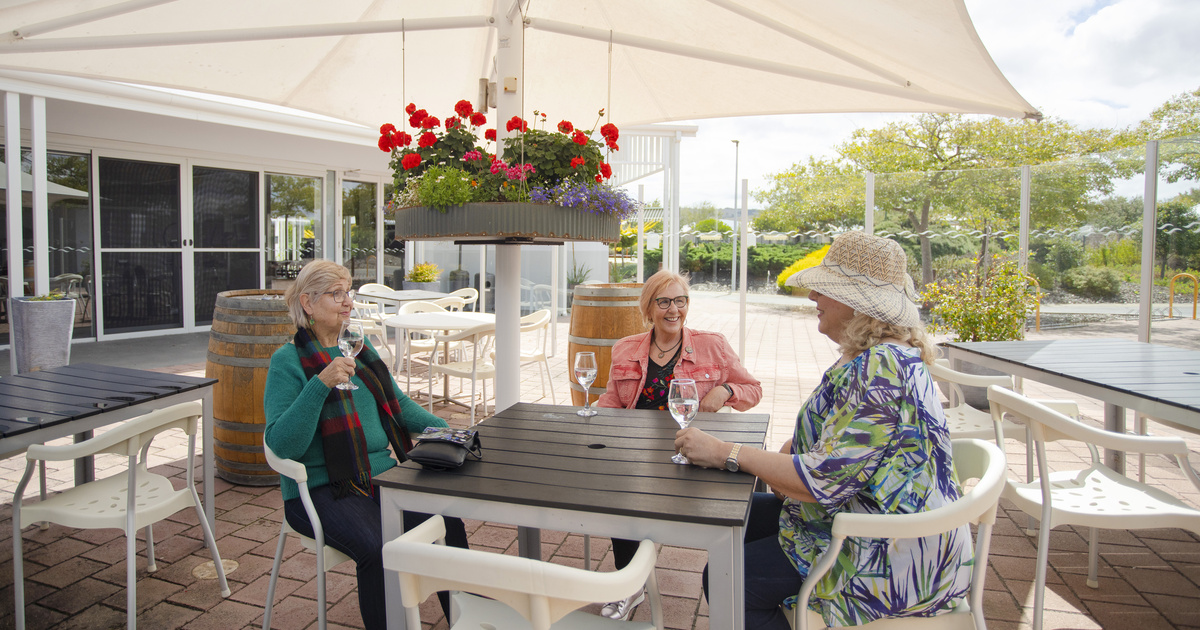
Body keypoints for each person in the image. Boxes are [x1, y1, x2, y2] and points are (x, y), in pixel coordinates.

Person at [675, 231, 973, 629]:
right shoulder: (886, 356)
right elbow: (835, 446)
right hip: (870, 522)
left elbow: (819, 482)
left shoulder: (880, 368)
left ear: (858, 304)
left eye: (824, 290)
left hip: (886, 556)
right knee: (737, 518)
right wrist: (775, 458)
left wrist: (726, 453)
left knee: (729, 577)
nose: (813, 297)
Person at [264, 260, 468, 630]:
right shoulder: (288, 362)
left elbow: (399, 405)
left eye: (349, 293)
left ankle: (465, 617)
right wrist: (321, 383)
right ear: (308, 303)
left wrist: (455, 433)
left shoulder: (361, 350)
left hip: (380, 476)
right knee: (378, 547)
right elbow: (282, 445)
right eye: (336, 294)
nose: (347, 302)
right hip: (321, 488)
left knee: (445, 520)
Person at [596, 268, 762, 620]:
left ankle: (726, 584)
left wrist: (727, 389)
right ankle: (629, 586)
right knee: (616, 494)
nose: (674, 310)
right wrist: (591, 423)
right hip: (637, 450)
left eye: (681, 300)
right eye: (665, 301)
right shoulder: (626, 348)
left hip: (692, 448)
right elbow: (611, 402)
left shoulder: (711, 344)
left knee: (717, 513)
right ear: (649, 308)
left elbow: (753, 390)